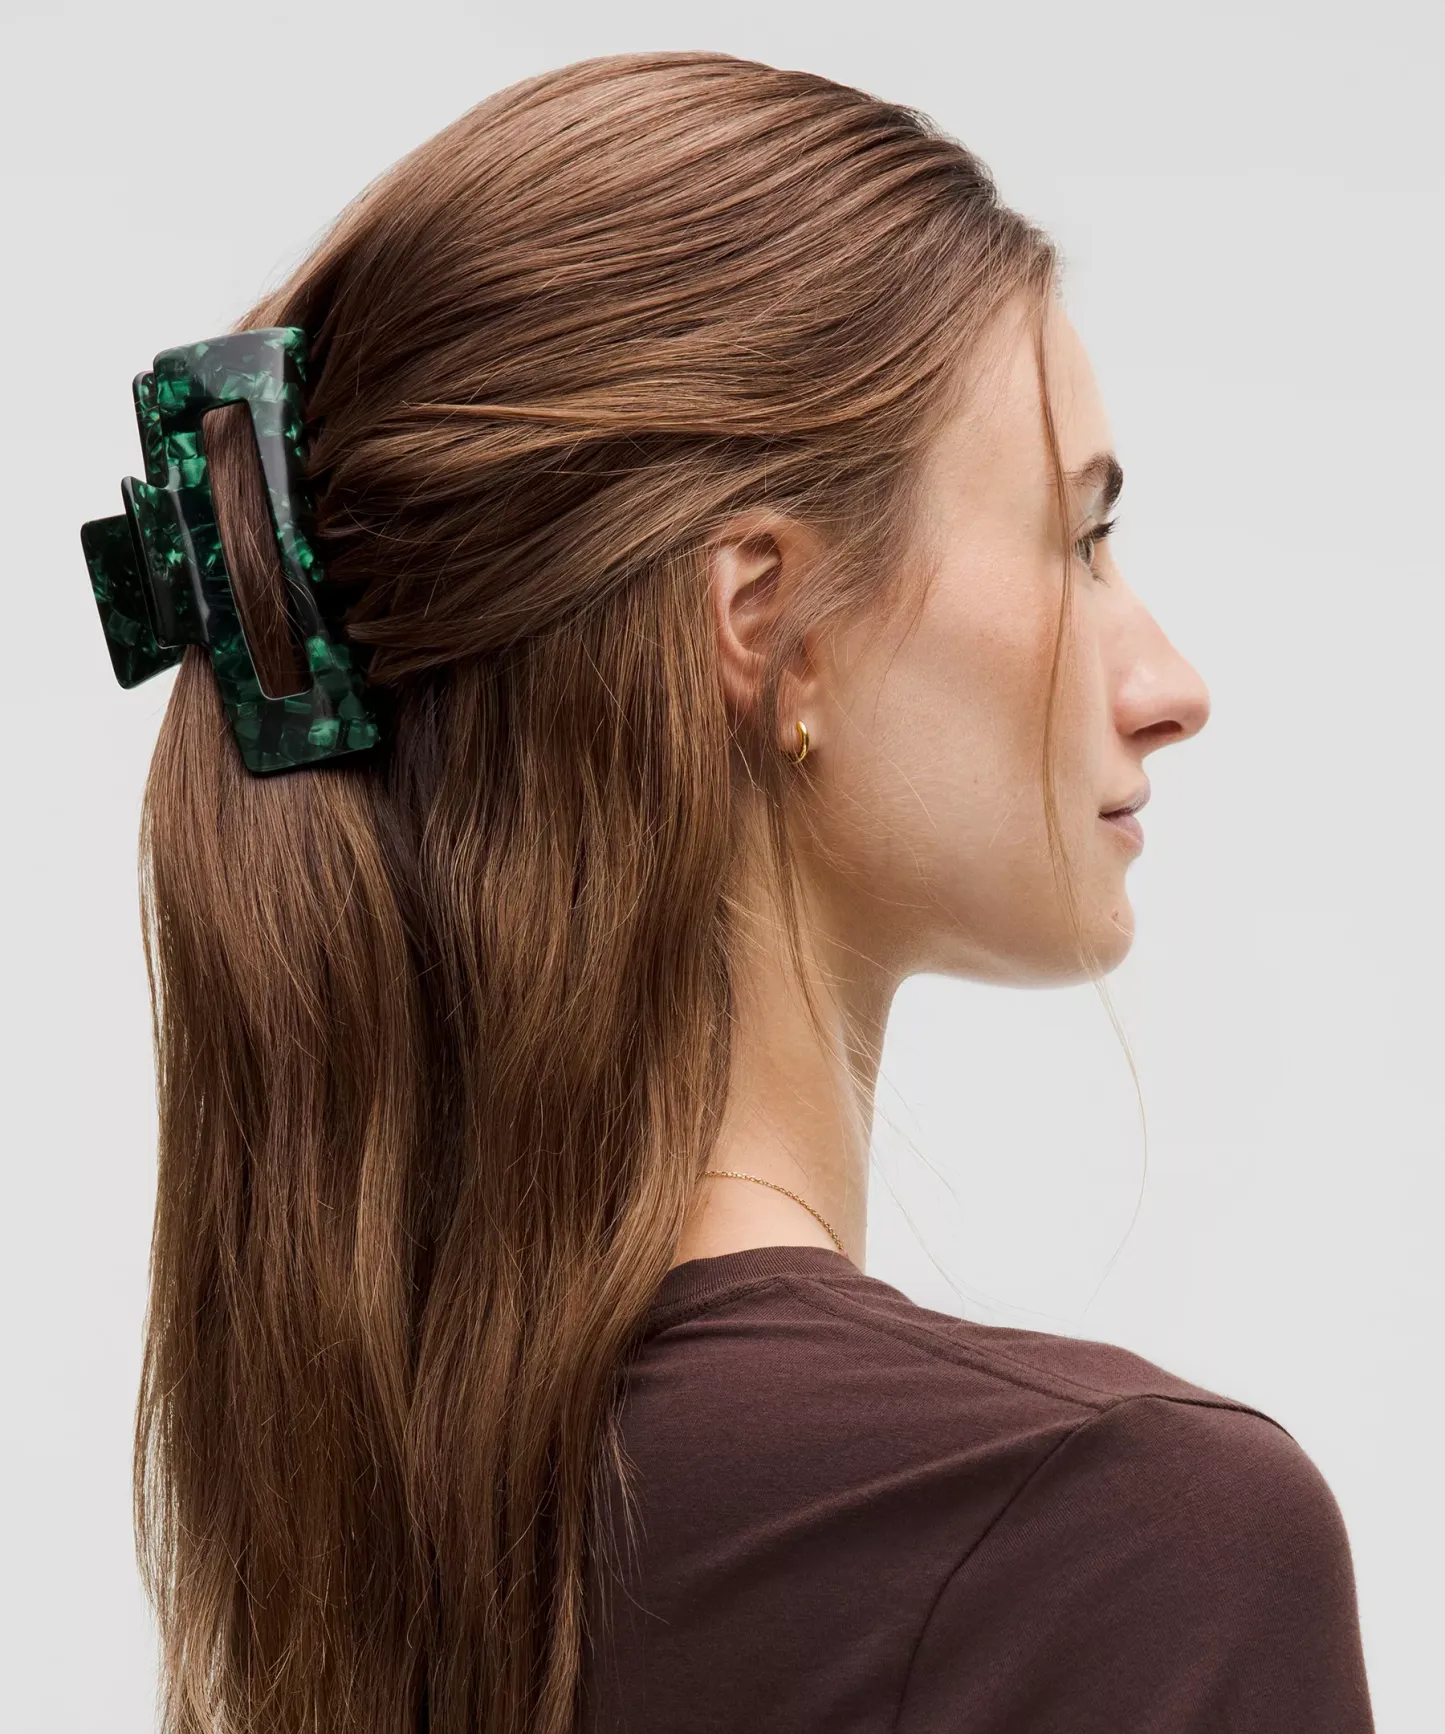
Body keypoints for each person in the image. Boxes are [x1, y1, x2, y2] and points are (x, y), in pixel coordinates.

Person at [96, 49, 1374, 1734]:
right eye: (1079, 539)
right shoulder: (1122, 1543)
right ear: (766, 621)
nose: (1169, 685)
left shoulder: (369, 1536)